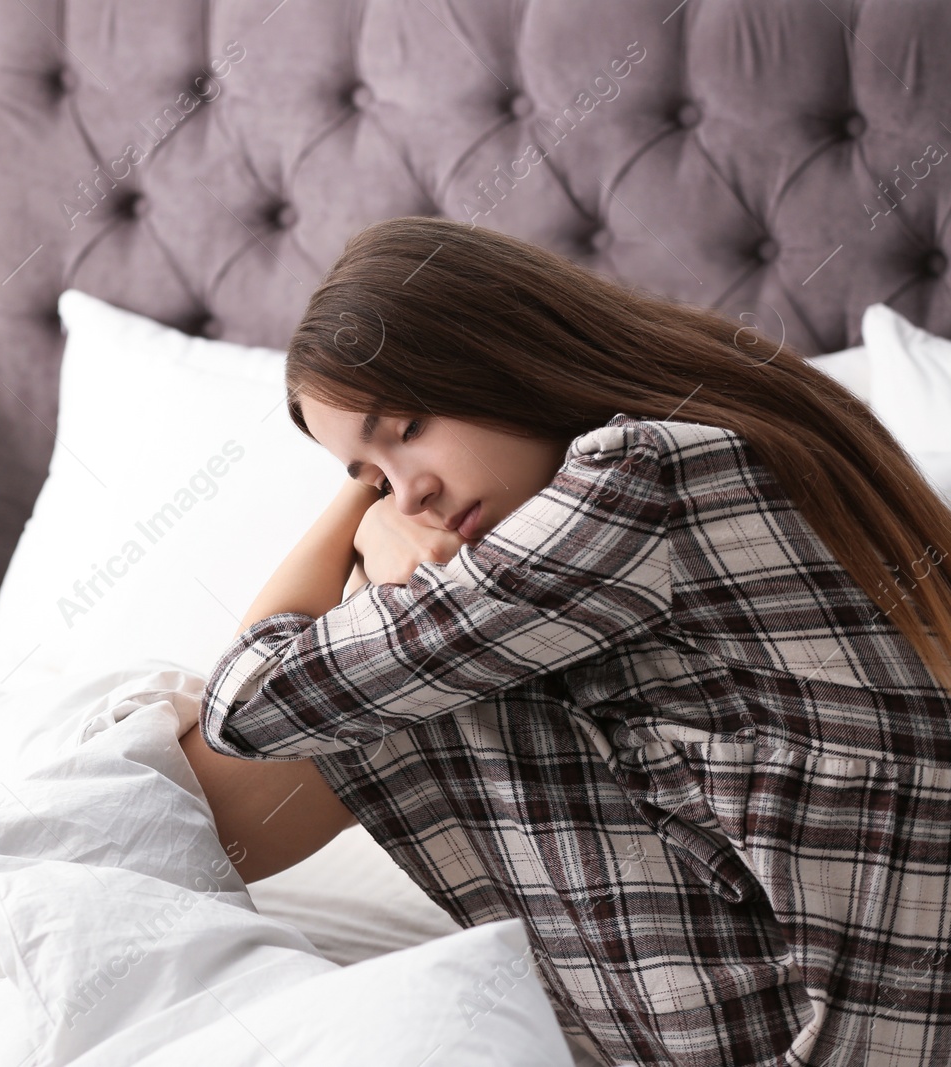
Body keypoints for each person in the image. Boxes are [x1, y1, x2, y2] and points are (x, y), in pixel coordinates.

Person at [178, 215, 951, 1067]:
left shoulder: (637, 479)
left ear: (500, 351)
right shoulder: (715, 442)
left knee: (377, 681)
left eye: (406, 427)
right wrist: (381, 517)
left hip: (834, 1040)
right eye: (371, 477)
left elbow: (248, 707)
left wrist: (358, 529)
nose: (414, 492)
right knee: (399, 661)